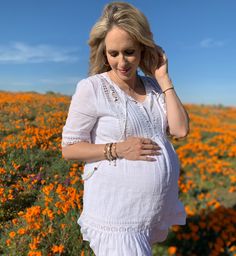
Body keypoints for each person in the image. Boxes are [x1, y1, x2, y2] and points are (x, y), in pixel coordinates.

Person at [61, 2, 189, 255]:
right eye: (114, 53)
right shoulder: (92, 88)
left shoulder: (153, 86)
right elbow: (69, 149)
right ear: (104, 53)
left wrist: (164, 79)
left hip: (148, 213)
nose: (121, 62)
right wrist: (117, 149)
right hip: (117, 216)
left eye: (129, 52)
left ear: (142, 48)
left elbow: (180, 130)